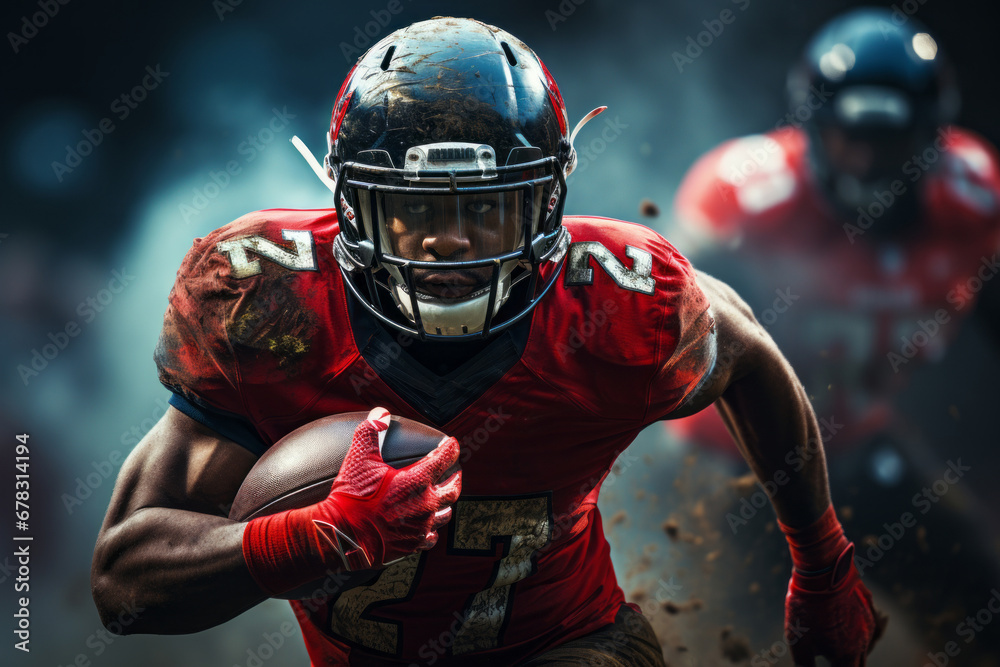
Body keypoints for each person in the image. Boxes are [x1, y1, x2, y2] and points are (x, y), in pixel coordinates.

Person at [92, 17, 883, 666]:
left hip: (572, 644)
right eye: (415, 211)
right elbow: (125, 583)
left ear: (547, 202)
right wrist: (312, 533)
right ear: (348, 201)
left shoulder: (614, 303)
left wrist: (821, 563)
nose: (448, 244)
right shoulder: (267, 309)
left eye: (487, 209)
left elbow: (748, 353)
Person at [668, 6, 1000, 655]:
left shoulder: (974, 199)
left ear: (934, 135)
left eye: (889, 141)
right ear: (812, 127)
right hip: (734, 460)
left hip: (853, 442)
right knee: (723, 640)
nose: (868, 163)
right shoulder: (750, 201)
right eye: (851, 137)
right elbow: (663, 326)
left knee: (981, 609)